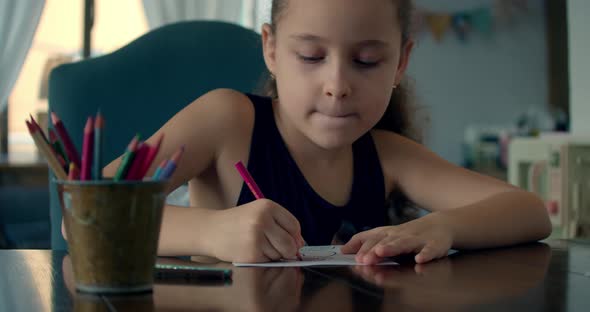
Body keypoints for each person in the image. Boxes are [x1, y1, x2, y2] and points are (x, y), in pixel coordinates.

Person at [99, 0, 550, 264]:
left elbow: (529, 210)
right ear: (272, 49)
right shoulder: (226, 120)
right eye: (312, 56)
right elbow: (92, 208)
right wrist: (209, 233)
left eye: (367, 61)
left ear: (400, 63)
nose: (337, 86)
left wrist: (443, 227)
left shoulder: (387, 154)